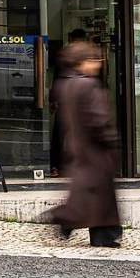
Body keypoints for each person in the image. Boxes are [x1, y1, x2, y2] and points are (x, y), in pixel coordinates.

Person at [47, 41, 121, 248]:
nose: (98, 64)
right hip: (96, 148)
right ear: (81, 62)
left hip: (78, 145)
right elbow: (99, 119)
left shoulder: (66, 83)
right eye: (93, 60)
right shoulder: (89, 85)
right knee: (99, 193)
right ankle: (66, 218)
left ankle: (99, 232)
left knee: (93, 193)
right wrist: (111, 140)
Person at [48, 28, 87, 177]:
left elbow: (57, 79)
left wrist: (53, 100)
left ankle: (56, 166)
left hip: (67, 100)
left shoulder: (64, 55)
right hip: (78, 101)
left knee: (60, 135)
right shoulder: (85, 56)